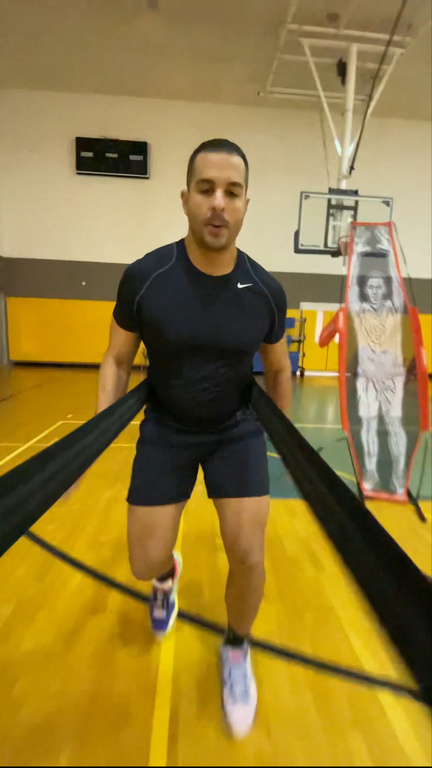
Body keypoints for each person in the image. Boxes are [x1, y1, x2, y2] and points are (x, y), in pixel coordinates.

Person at [96, 139, 291, 738]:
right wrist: (100, 433)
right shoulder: (145, 278)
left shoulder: (265, 290)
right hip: (167, 428)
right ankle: (166, 576)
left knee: (249, 553)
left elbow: (279, 369)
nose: (218, 203)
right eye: (206, 189)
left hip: (236, 431)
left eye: (232, 192)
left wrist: (278, 442)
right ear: (185, 199)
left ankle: (236, 648)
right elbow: (116, 359)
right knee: (142, 561)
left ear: (246, 204)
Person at [349, 227, 407, 495]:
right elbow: (351, 286)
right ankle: (371, 472)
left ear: (384, 289)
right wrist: (356, 253)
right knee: (369, 424)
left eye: (378, 287)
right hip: (367, 378)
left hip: (392, 377)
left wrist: (389, 251)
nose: (374, 291)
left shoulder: (394, 307)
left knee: (394, 424)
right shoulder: (359, 310)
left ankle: (398, 474)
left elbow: (397, 282)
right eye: (370, 287)